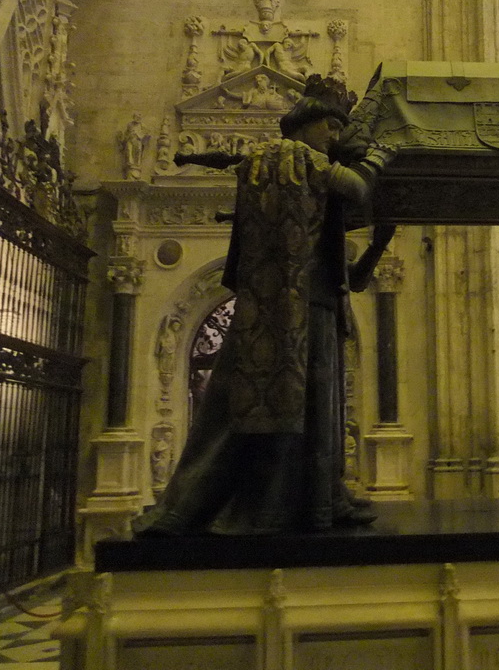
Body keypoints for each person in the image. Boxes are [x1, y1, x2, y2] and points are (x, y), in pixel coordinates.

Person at [135, 75, 394, 535]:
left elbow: (349, 276)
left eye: (340, 128)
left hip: (317, 303)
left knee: (322, 411)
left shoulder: (307, 172)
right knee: (257, 409)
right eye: (330, 126)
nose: (335, 136)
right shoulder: (288, 156)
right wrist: (381, 153)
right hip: (285, 307)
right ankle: (226, 507)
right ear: (305, 122)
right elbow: (356, 188)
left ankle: (325, 498)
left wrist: (376, 246)